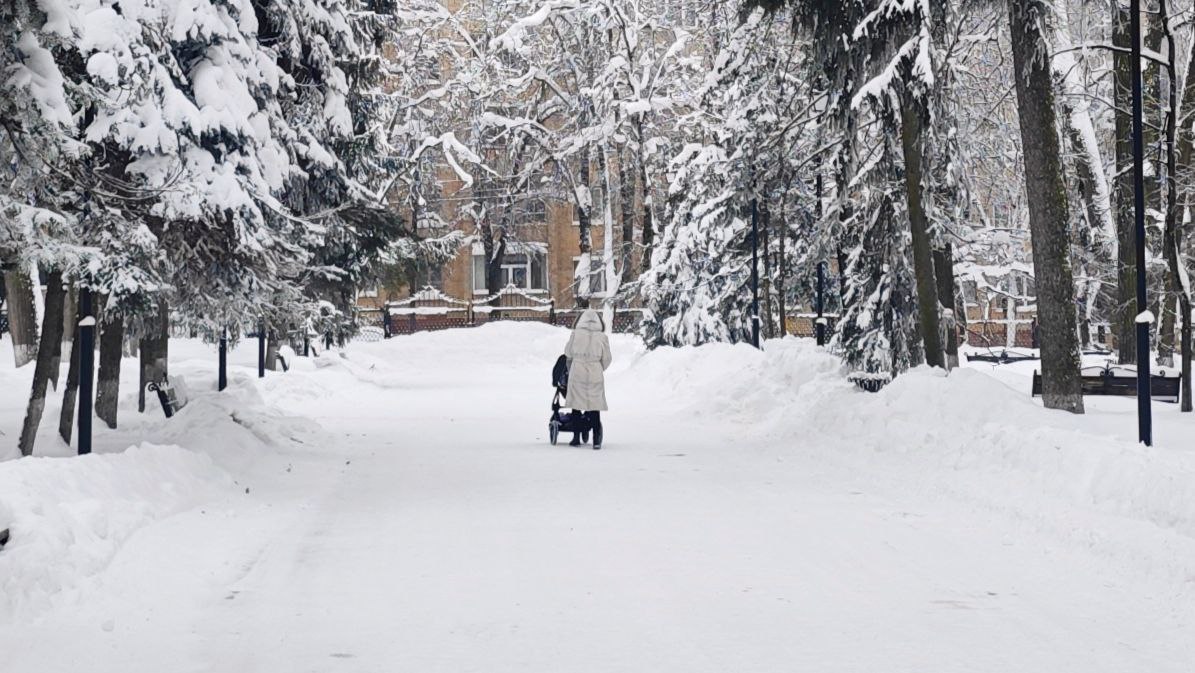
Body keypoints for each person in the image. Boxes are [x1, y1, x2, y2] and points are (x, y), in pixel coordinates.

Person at [564, 309, 612, 449]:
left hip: (577, 370)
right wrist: (598, 367)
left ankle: (576, 438)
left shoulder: (575, 334)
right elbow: (607, 359)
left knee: (576, 406)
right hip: (595, 372)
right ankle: (596, 440)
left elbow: (568, 352)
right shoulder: (602, 337)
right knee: (594, 407)